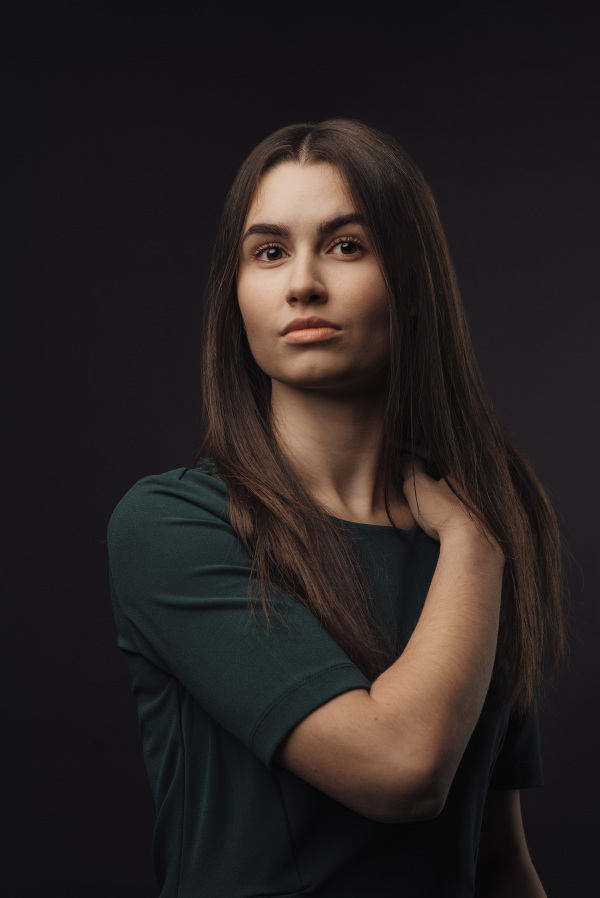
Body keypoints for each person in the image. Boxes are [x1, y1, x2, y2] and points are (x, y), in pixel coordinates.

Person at [107, 118, 567, 897]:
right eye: (270, 251)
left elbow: (496, 862)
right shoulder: (173, 526)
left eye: (346, 246)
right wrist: (475, 541)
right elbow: (401, 769)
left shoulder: (479, 532)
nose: (302, 284)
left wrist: (475, 536)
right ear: (237, 293)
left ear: (414, 283)